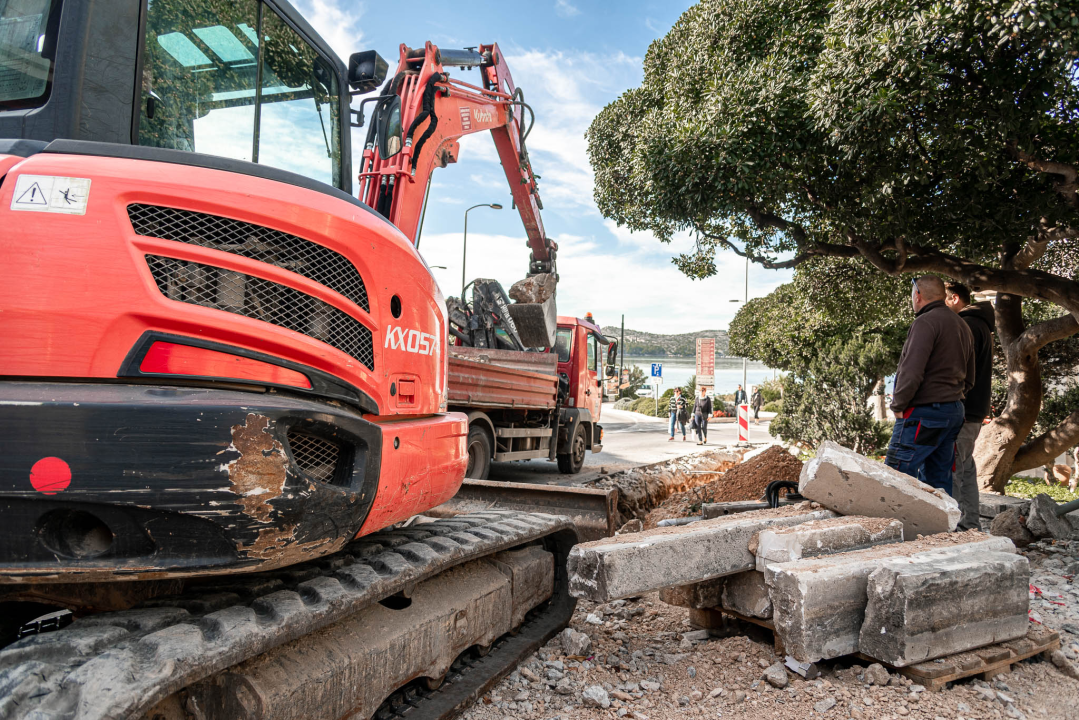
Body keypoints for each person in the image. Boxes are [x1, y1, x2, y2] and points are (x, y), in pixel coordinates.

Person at [885, 276, 975, 494]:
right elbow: (971, 377)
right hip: (952, 410)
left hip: (924, 413)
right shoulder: (962, 325)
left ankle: (894, 527)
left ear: (918, 295)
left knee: (895, 478)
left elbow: (911, 371)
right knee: (938, 482)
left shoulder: (925, 323)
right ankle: (941, 528)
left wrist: (898, 405)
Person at [945, 282, 995, 530]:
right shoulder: (981, 324)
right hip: (974, 409)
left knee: (954, 468)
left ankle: (955, 527)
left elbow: (961, 371)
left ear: (954, 298)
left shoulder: (967, 325)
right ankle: (970, 524)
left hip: (964, 409)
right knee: (965, 468)